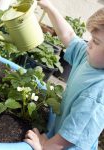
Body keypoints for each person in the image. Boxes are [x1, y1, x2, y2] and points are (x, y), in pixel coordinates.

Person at [24, 0, 104, 149]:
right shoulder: (88, 58)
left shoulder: (97, 92)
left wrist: (44, 145)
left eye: (97, 41)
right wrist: (48, 7)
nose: (89, 43)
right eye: (91, 38)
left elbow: (70, 136)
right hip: (59, 135)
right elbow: (68, 34)